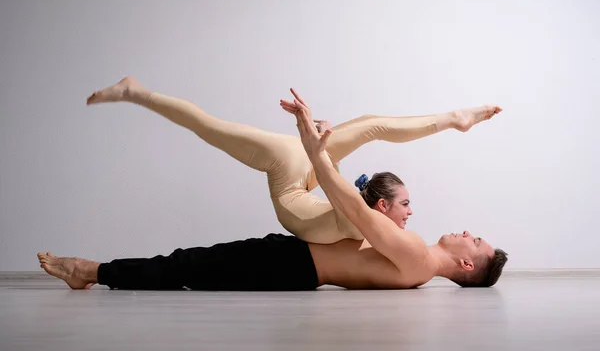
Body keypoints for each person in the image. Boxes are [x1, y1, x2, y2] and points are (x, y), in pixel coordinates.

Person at [85, 77, 502, 244]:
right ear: (380, 206)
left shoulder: (364, 219)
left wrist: (318, 141)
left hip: (299, 178)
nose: (411, 213)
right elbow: (337, 189)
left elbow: (336, 187)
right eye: (406, 205)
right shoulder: (361, 219)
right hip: (293, 170)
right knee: (211, 128)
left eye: (407, 204)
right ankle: (135, 92)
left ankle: (454, 119)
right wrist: (314, 140)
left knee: (372, 124)